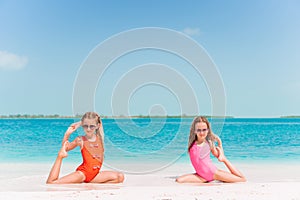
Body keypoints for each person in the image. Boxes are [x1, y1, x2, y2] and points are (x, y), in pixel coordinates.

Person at [46, 112, 124, 184]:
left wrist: (80, 123)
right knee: (52, 183)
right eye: (85, 126)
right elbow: (65, 148)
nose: (88, 129)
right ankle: (59, 158)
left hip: (95, 175)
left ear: (97, 126)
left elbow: (99, 121)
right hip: (82, 174)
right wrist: (67, 134)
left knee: (120, 177)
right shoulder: (80, 140)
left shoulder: (100, 137)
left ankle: (89, 184)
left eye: (92, 126)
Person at [176, 116, 246, 183]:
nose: (201, 133)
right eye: (199, 130)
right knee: (179, 180)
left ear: (208, 130)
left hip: (213, 173)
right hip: (201, 176)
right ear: (194, 131)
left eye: (204, 130)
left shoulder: (209, 143)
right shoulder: (192, 143)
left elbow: (218, 157)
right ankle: (207, 180)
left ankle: (225, 160)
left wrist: (220, 145)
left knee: (242, 179)